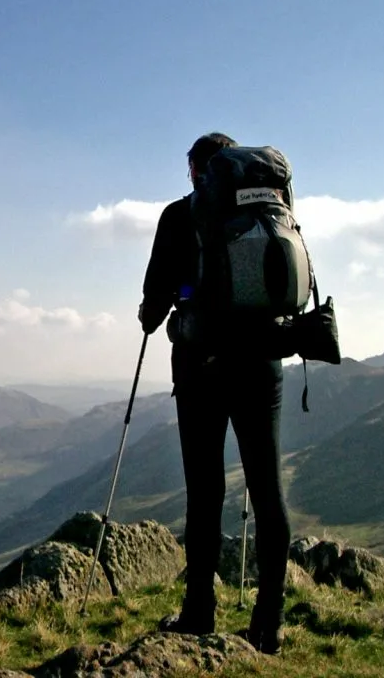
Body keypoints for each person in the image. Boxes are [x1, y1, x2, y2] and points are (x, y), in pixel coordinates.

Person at [138, 132, 291, 655]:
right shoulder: (270, 209)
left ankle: (198, 613)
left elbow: (155, 298)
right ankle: (269, 623)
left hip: (202, 366)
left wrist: (151, 316)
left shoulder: (180, 215)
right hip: (263, 362)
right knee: (267, 493)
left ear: (198, 170)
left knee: (204, 491)